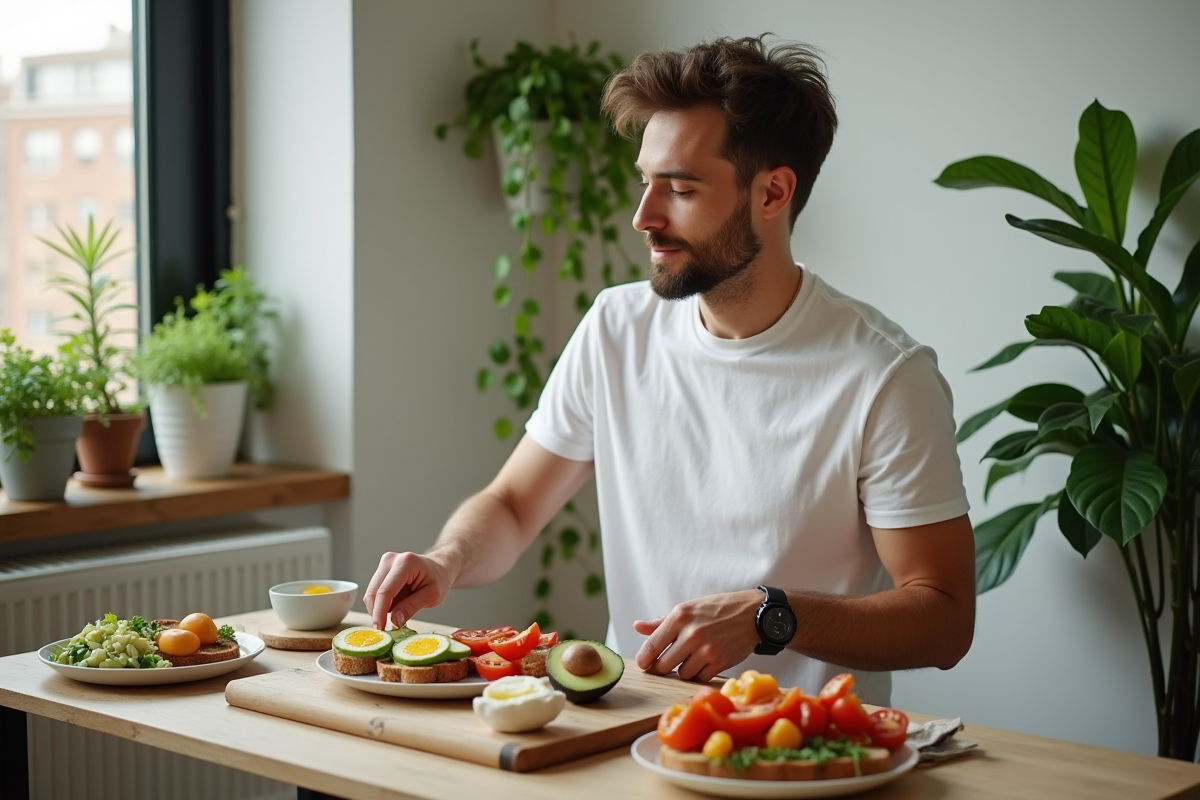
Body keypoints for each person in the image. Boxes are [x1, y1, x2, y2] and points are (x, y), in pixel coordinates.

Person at [366, 34, 975, 705]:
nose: (643, 218)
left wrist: (768, 616)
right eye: (645, 183)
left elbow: (944, 617)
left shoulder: (885, 376)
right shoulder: (614, 328)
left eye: (680, 189)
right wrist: (448, 559)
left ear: (771, 193)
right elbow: (513, 505)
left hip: (799, 753)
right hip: (626, 732)